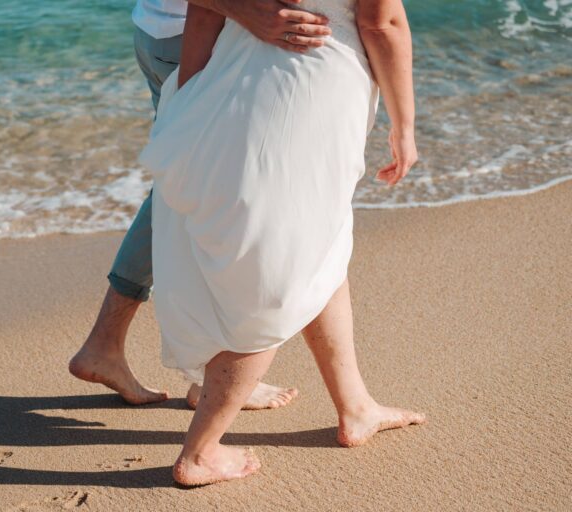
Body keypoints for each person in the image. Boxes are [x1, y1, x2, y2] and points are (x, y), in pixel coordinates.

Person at [137, 0, 427, 486]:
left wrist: (187, 96)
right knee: (277, 276)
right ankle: (201, 451)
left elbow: (203, 8)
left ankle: (355, 406)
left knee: (313, 247)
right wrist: (406, 126)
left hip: (227, 78)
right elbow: (382, 22)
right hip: (309, 94)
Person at [70, 0, 335, 409]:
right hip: (196, 36)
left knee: (190, 184)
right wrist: (245, 11)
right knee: (208, 194)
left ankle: (126, 351)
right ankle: (186, 368)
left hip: (167, 30)